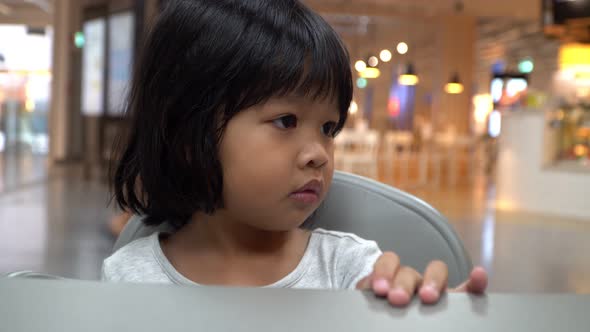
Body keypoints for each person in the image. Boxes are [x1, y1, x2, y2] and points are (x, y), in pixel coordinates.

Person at [102, 0, 487, 307]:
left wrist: (416, 311)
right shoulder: (129, 276)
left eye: (328, 129)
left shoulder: (350, 268)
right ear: (187, 132)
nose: (319, 154)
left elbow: (390, 296)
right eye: (286, 121)